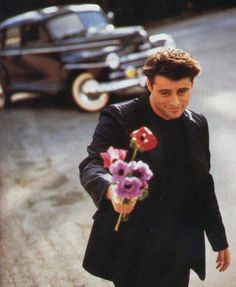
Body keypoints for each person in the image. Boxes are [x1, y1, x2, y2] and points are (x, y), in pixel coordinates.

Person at [79, 48, 230, 287]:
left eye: (183, 91)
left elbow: (203, 183)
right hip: (134, 249)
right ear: (149, 85)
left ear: (192, 84)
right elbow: (92, 164)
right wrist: (112, 190)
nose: (175, 101)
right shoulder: (120, 117)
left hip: (179, 246)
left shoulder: (198, 123)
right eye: (165, 92)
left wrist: (218, 239)